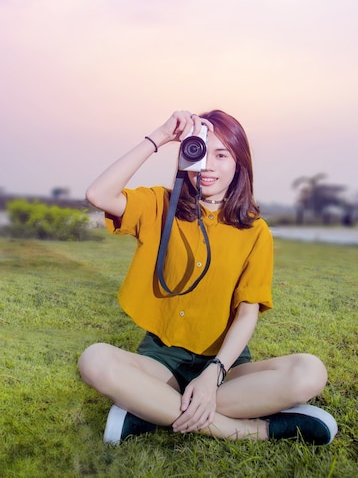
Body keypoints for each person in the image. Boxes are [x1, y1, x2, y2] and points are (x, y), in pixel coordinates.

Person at [78, 109, 337, 445]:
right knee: (94, 360)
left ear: (239, 164)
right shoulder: (161, 204)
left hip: (224, 366)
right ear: (187, 155)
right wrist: (160, 136)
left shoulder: (255, 232)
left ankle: (150, 408)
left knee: (310, 372)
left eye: (222, 154)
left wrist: (214, 373)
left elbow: (247, 313)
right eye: (200, 152)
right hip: (162, 359)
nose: (209, 166)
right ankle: (245, 430)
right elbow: (98, 195)